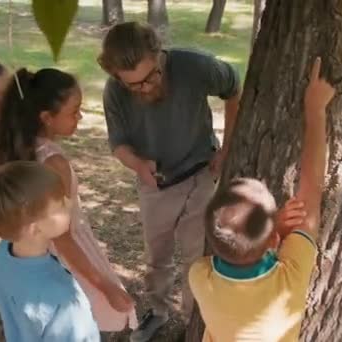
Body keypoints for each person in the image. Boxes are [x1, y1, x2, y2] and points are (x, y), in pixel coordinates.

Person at [97, 21, 242, 341]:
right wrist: (137, 164)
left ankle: (194, 319)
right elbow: (118, 143)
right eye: (134, 84)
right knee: (156, 256)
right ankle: (159, 311)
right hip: (156, 184)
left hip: (202, 173)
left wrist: (227, 148)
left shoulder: (195, 66)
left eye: (151, 76)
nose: (145, 87)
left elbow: (234, 89)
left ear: (158, 54)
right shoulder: (115, 91)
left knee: (197, 255)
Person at [188, 58, 335, 342]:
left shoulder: (200, 277)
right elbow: (311, 193)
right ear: (272, 242)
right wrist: (315, 110)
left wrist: (273, 228)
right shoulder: (289, 279)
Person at [0, 67, 137, 332]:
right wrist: (104, 284)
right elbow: (63, 236)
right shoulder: (52, 162)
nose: (80, 116)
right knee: (84, 314)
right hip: (65, 251)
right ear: (46, 117)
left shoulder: (16, 147)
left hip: (37, 247)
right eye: (74, 111)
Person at [0, 161, 101, 341]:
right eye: (60, 204)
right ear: (34, 228)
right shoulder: (65, 301)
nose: (70, 202)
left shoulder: (3, 254)